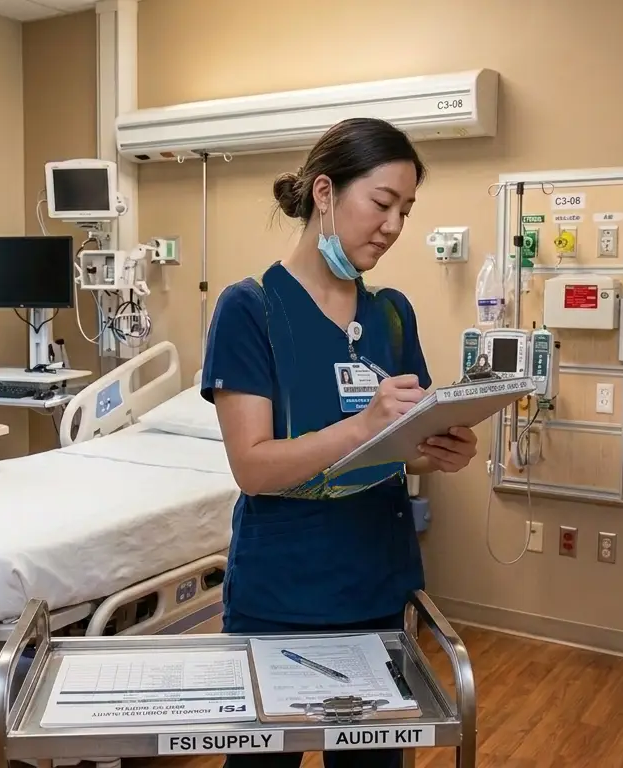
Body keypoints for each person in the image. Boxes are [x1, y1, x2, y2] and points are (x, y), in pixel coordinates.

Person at [200, 117, 480, 768]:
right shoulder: (251, 309)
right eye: (381, 203)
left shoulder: (391, 314)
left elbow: (398, 440)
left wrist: (438, 449)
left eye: (405, 211)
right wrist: (363, 424)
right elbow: (254, 467)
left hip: (377, 590)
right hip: (283, 600)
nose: (392, 226)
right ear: (324, 193)